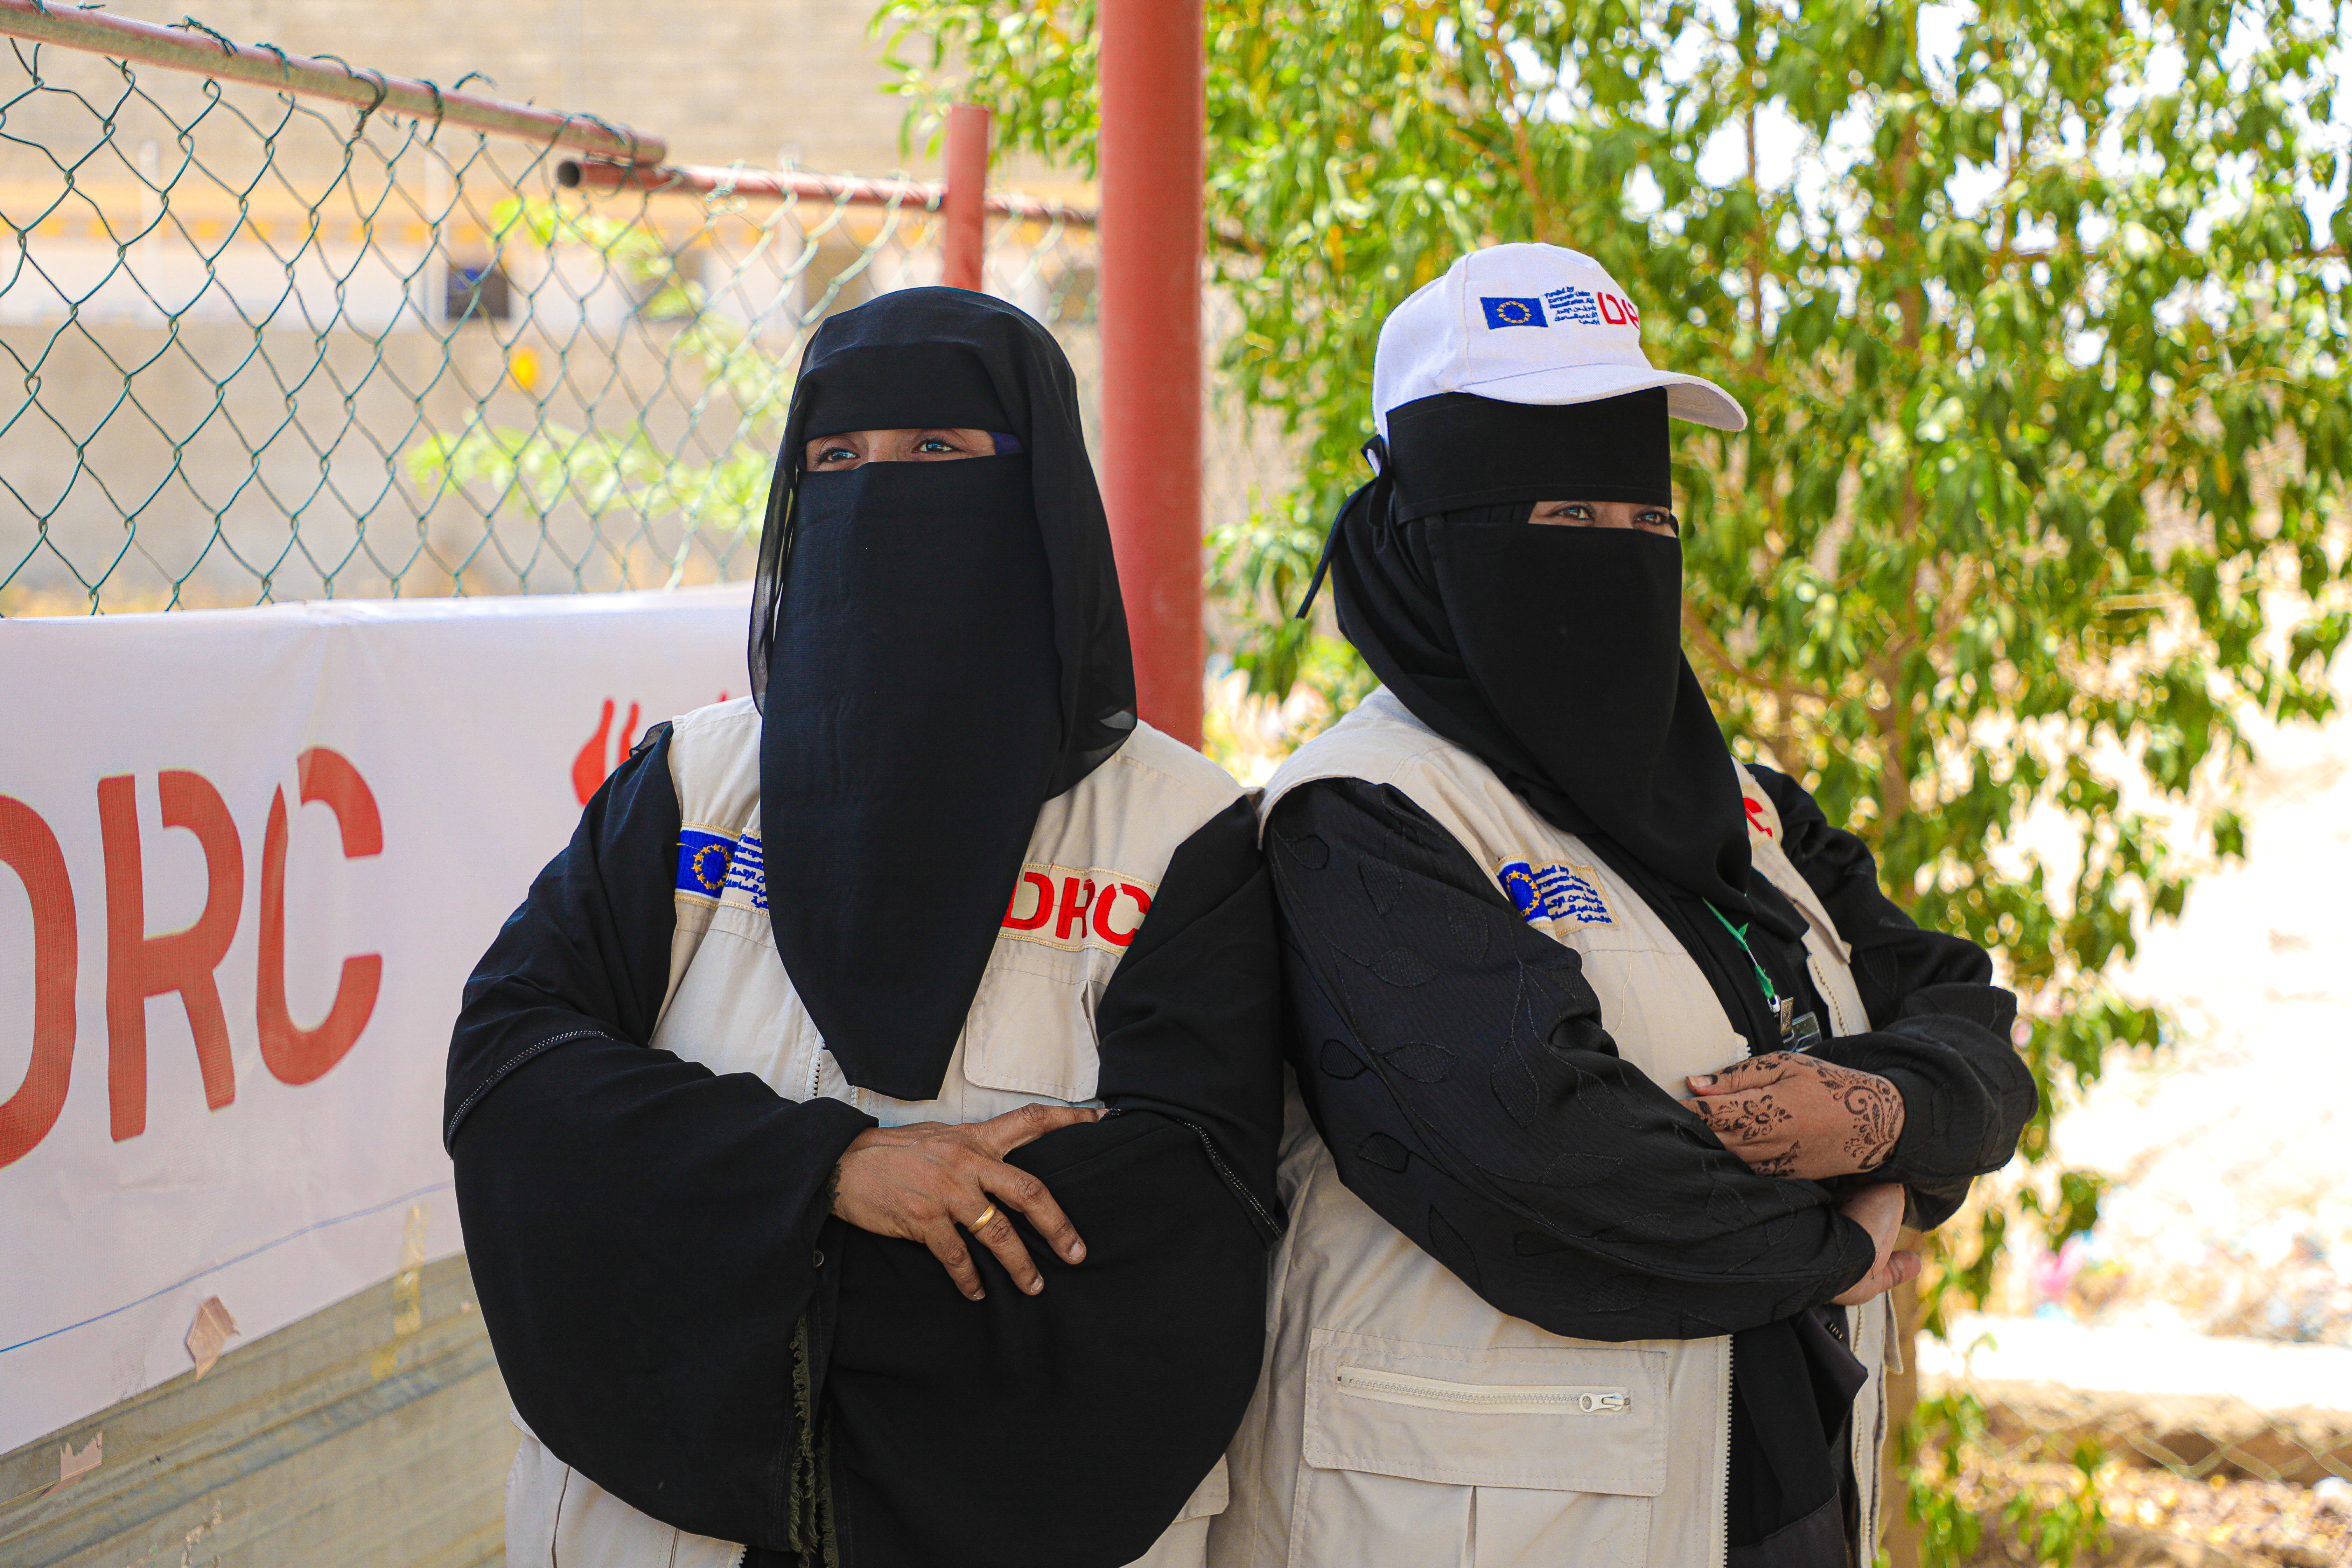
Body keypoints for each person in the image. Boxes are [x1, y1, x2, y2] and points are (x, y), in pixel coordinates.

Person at [1209, 244, 2035, 1568]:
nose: (1623, 561)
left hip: (1771, 1490)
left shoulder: (1750, 811)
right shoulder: (1362, 817)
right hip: (1477, 1522)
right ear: (1429, 541)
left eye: (1648, 521)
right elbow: (1555, 1170)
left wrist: (1887, 1112)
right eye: (1566, 523)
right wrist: (1857, 1229)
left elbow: (1972, 1028)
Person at [446, 288, 1286, 1568]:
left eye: (937, 455)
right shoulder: (690, 785)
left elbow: (1173, 1232)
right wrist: (828, 1176)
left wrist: (725, 1268)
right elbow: (514, 1080)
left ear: (1039, 495)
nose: (879, 492)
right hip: (656, 1525)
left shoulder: (1178, 837)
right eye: (837, 460)